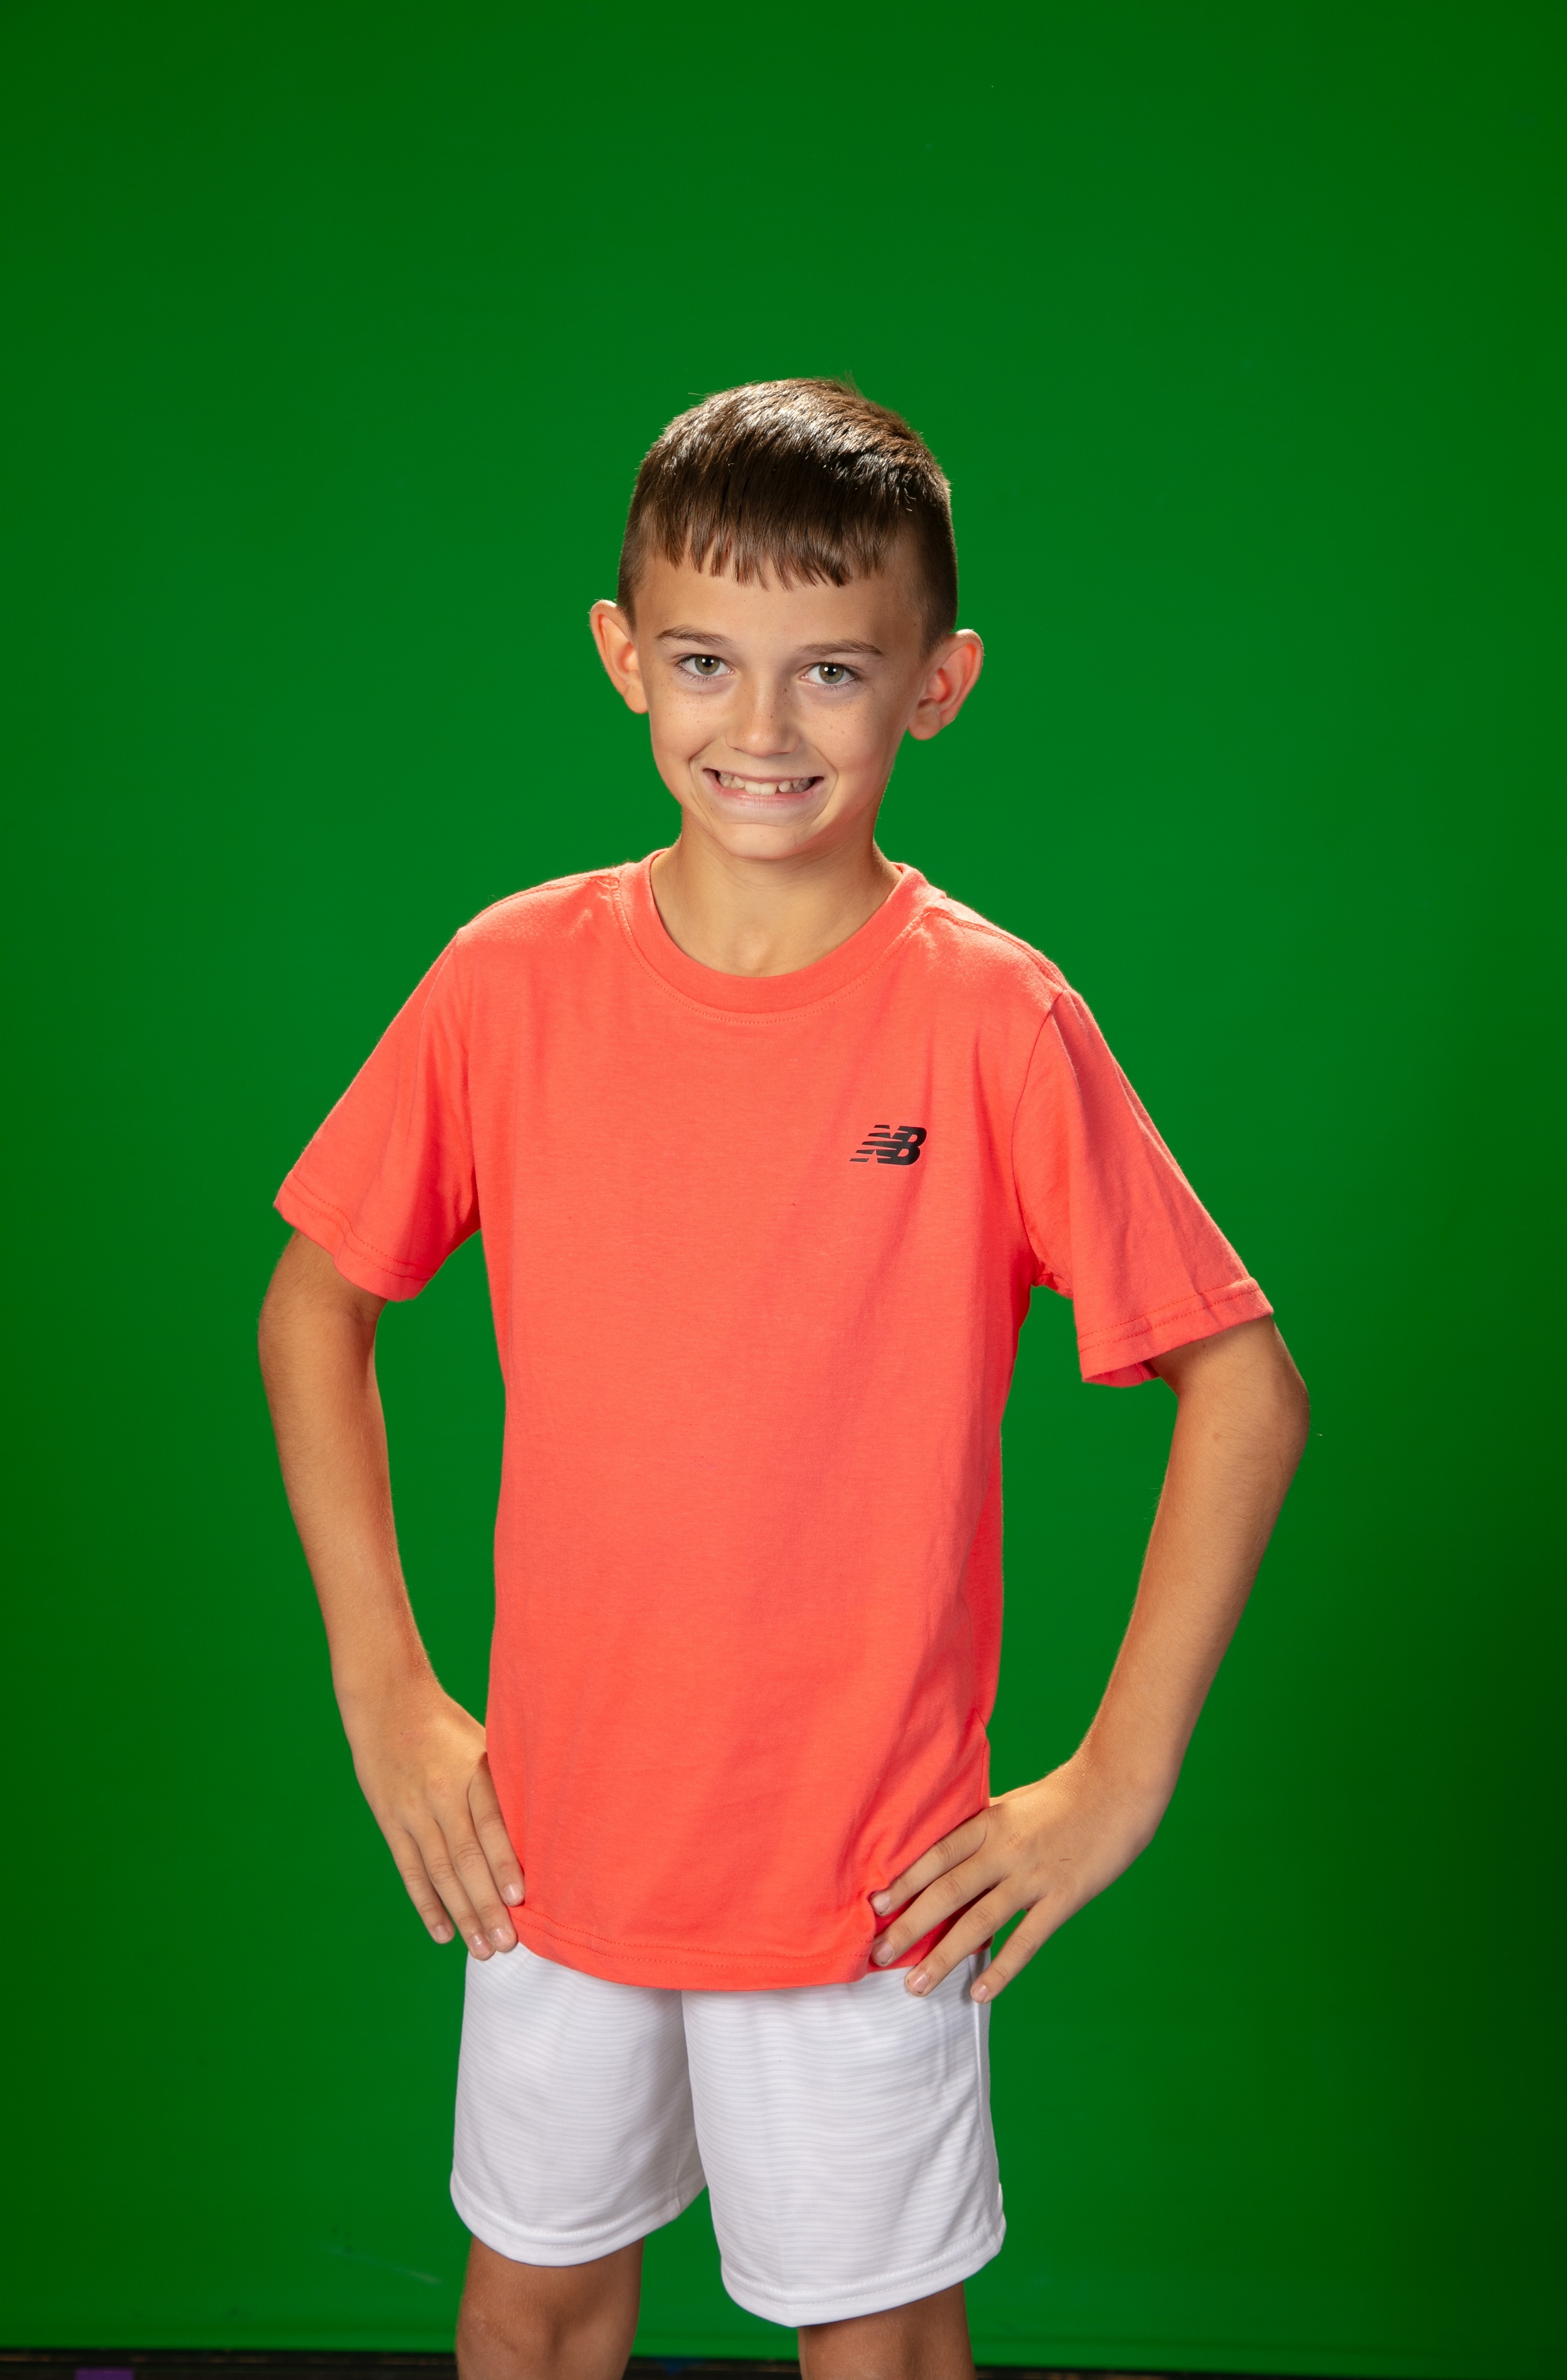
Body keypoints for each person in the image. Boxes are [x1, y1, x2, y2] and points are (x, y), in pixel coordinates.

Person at [258, 378, 1309, 2380]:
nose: (762, 725)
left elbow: (1247, 1391)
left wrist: (1115, 1780)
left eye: (831, 668)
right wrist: (386, 1689)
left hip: (868, 1884)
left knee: (877, 2338)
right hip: (554, 1846)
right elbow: (313, 1308)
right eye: (706, 663)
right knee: (534, 2307)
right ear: (621, 655)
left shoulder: (993, 1018)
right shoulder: (507, 982)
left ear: (936, 685)